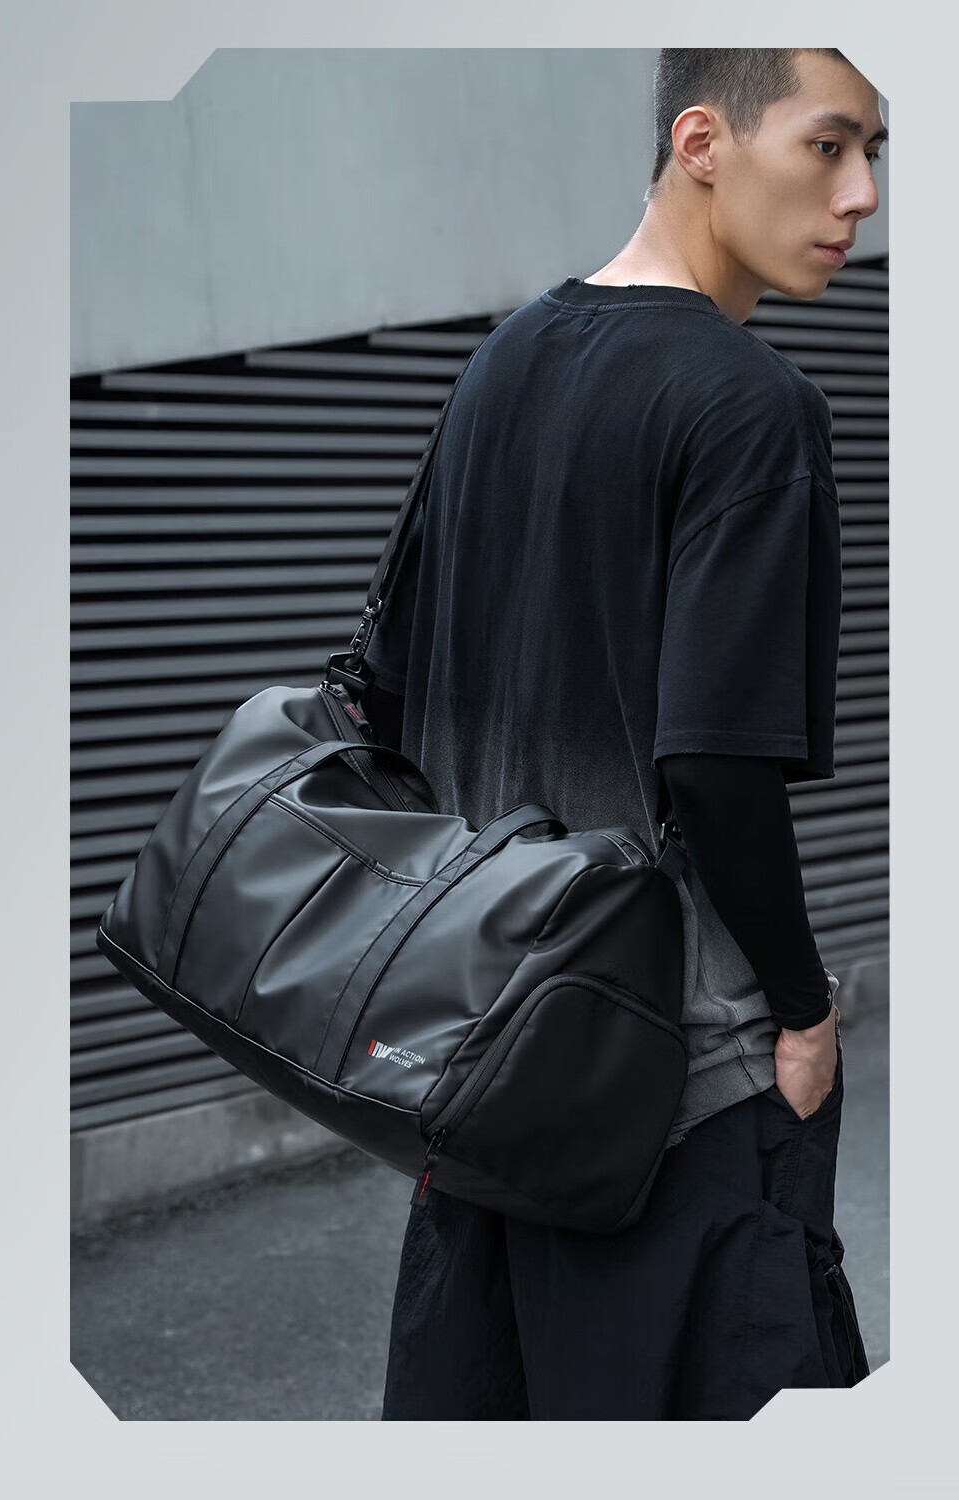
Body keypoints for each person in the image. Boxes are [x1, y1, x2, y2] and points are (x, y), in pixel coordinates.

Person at [360, 48, 879, 1420]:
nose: (863, 195)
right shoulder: (751, 405)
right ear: (702, 142)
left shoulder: (499, 363)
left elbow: (390, 695)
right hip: (678, 1072)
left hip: (485, 1049)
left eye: (873, 155)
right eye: (829, 146)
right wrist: (805, 1005)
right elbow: (712, 762)